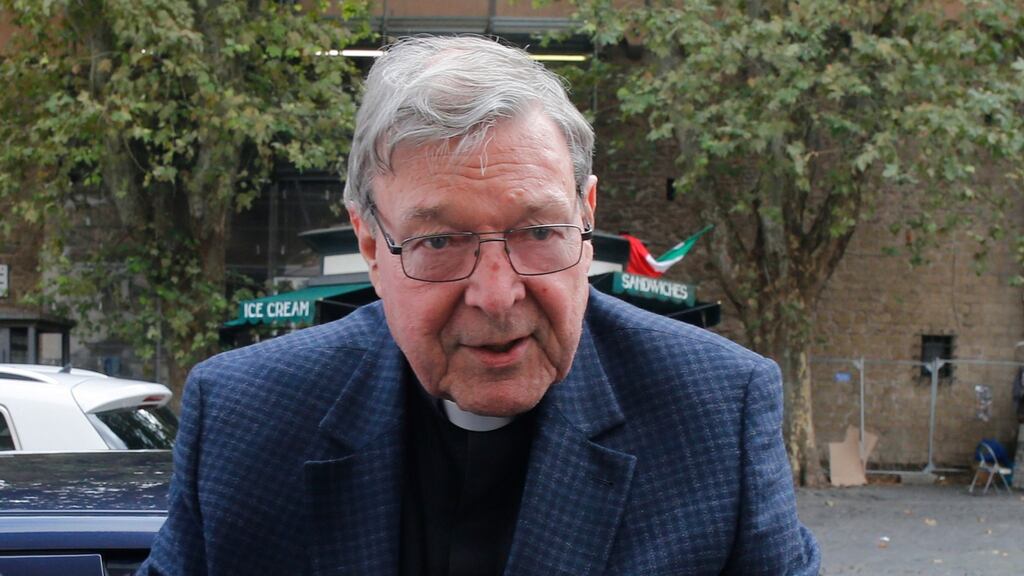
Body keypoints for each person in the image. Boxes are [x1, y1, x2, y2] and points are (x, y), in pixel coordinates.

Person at [139, 36, 819, 575]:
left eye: (539, 232)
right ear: (372, 247)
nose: (497, 296)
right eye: (440, 241)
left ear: (586, 216)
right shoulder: (247, 418)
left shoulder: (715, 412)